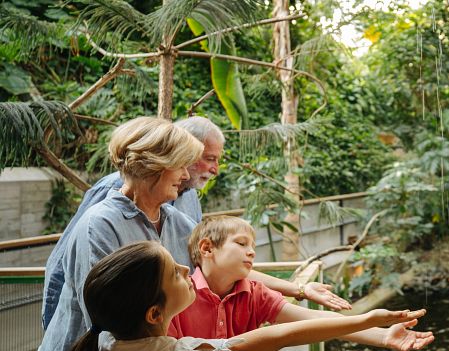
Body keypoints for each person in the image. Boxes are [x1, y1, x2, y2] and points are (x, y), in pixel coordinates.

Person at [41, 116, 349, 330]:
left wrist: (298, 290)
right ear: (166, 160)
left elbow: (212, 266)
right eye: (209, 158)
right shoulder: (105, 213)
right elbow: (72, 281)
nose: (207, 171)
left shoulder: (181, 207)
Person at [64, 240, 427, 351]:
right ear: (155, 314)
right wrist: (366, 320)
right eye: (173, 272)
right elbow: (278, 335)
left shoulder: (103, 341)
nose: (182, 267)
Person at [19, 116, 204, 351]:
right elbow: (108, 324)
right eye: (181, 164)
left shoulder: (178, 223)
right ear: (154, 165)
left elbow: (214, 269)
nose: (185, 175)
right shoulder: (99, 226)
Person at [169, 215, 435, 351]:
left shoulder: (255, 293)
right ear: (207, 248)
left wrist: (382, 336)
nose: (251, 251)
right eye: (241, 243)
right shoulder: (177, 296)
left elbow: (314, 320)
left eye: (252, 245)